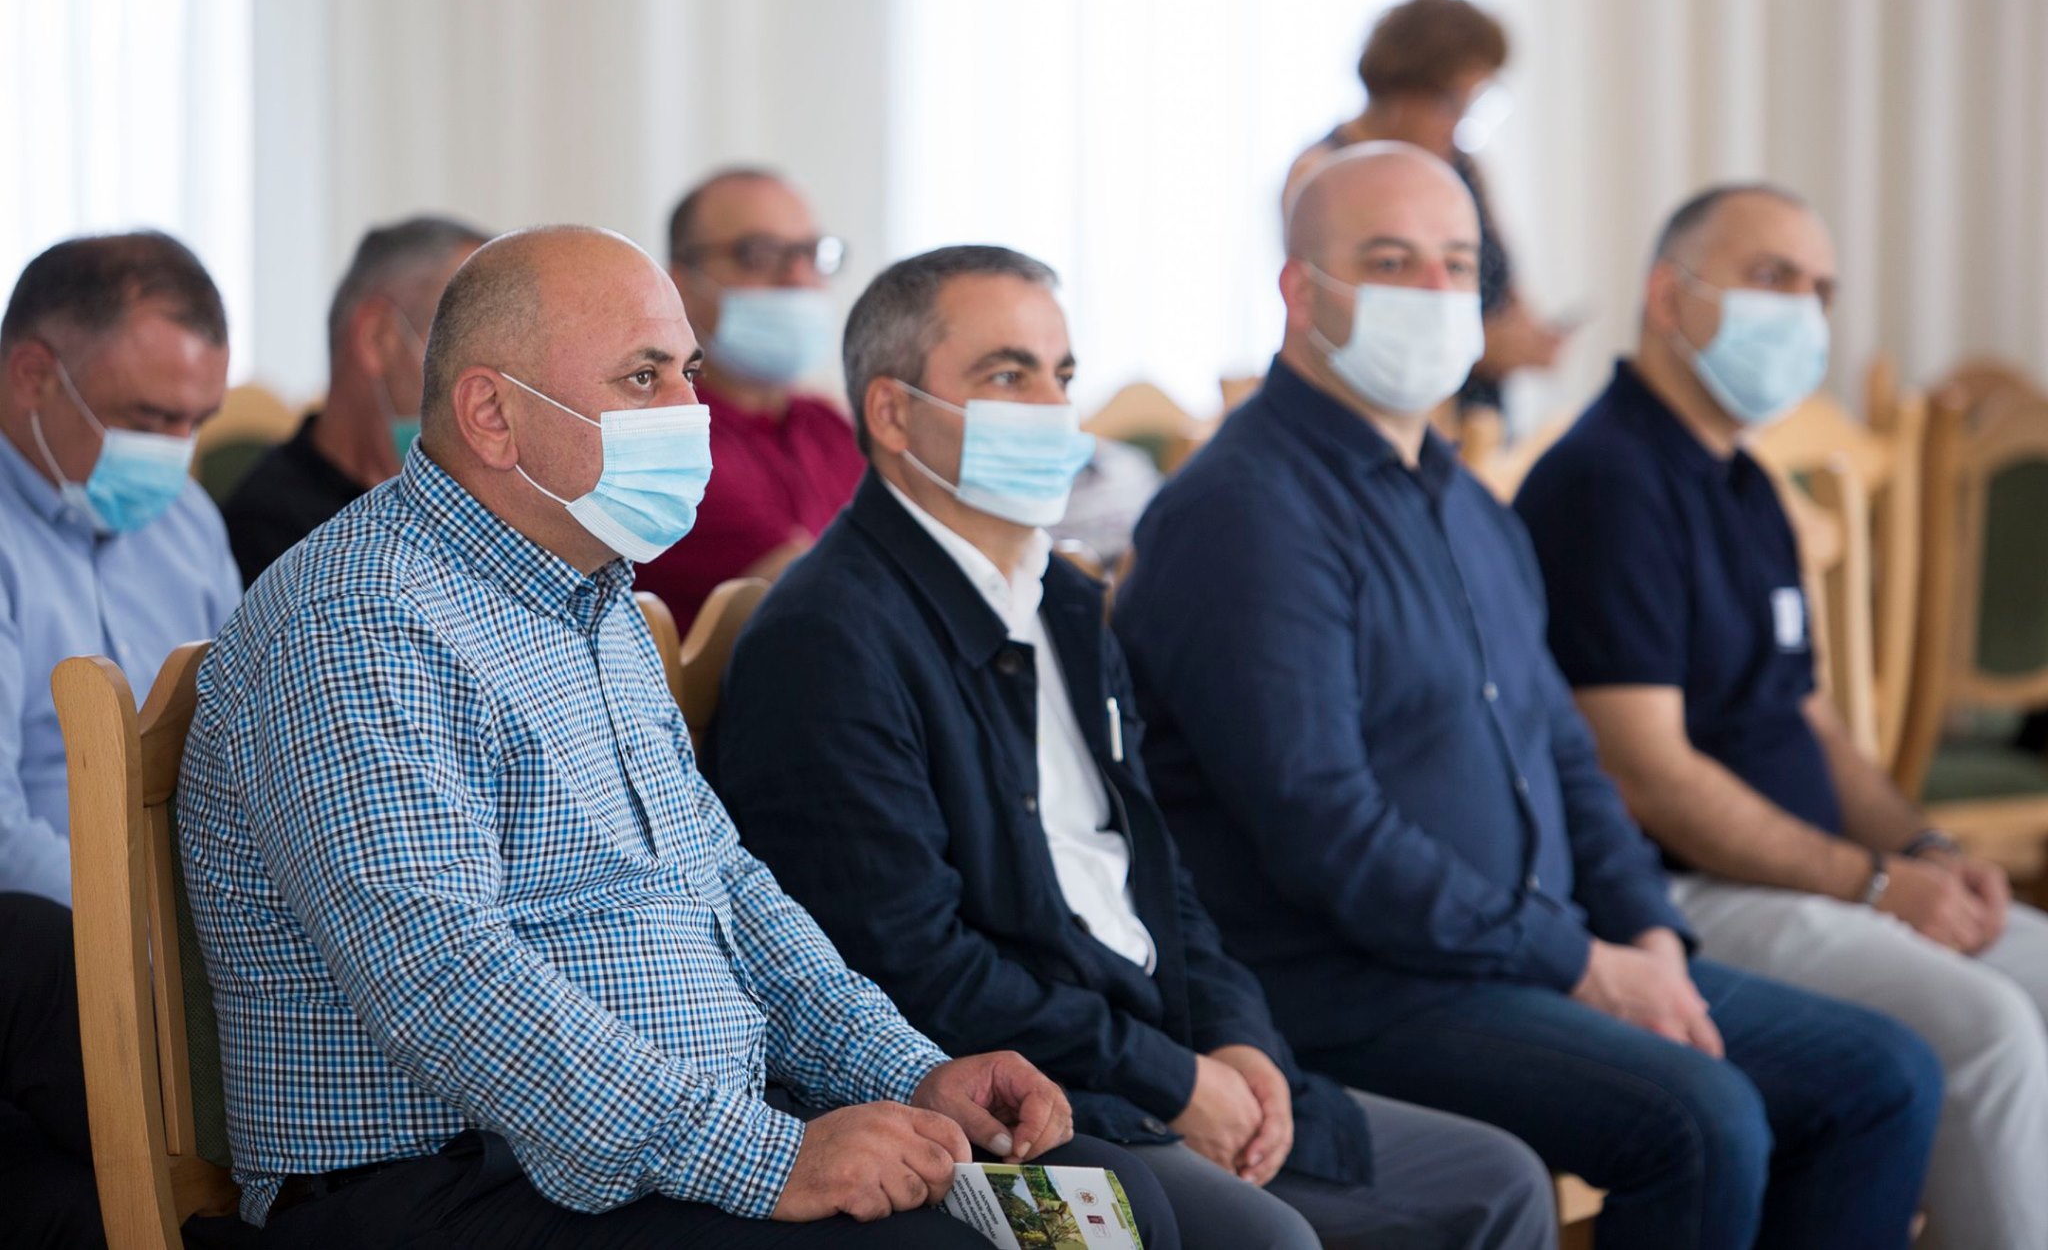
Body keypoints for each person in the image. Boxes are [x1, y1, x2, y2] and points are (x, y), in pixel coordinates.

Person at [176, 225, 1178, 1248]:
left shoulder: (590, 594)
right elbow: (440, 978)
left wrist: (911, 1070)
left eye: (688, 373)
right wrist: (772, 1158)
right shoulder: (359, 619)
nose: (690, 414)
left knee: (1104, 1217)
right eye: (643, 378)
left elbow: (724, 886)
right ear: (491, 413)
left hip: (667, 1147)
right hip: (446, 1180)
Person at [1114, 144, 1944, 1250]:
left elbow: (1562, 750)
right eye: (1392, 262)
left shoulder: (1469, 505)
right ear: (1300, 292)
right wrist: (1580, 964)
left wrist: (1646, 930)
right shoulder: (1244, 512)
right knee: (1702, 1122)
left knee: (1883, 1075)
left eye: (1459, 265)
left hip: (1521, 951)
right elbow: (1326, 832)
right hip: (1351, 985)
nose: (1435, 292)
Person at [710, 245, 1558, 1250]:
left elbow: (1156, 874)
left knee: (1500, 1181)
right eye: (1007, 375)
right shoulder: (829, 639)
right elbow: (910, 965)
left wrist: (1239, 1043)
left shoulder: (1067, 604)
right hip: (1025, 1099)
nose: (1049, 408)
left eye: (1061, 375)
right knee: (1268, 1240)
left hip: (1159, 1046)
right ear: (893, 414)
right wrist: (1175, 1080)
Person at [1516, 182, 2048, 1250]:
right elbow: (1646, 774)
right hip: (1683, 888)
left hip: (1811, 875)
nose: (1803, 310)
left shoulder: (1746, 484)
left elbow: (1812, 723)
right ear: (1668, 297)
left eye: (1819, 288)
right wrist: (1875, 883)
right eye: (1772, 278)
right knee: (1985, 1028)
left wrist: (1927, 850)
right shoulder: (1606, 482)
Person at [0, 230, 242, 1247]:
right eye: (148, 418)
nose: (174, 453)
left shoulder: (187, 522)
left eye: (197, 422)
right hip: (54, 950)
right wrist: (156, 938)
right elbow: (2, 838)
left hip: (187, 943)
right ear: (32, 375)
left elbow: (239, 754)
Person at [1285, 0, 1563, 409]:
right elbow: (1325, 317)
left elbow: (1507, 285)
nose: (1459, 123)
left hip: (1474, 413)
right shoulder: (1322, 173)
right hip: (1366, 410)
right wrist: (1483, 347)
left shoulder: (1464, 168)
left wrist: (1528, 338)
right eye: (1450, 103)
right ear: (1400, 92)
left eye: (1475, 103)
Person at [633, 168, 862, 632]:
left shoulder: (829, 425)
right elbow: (829, 594)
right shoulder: (664, 441)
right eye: (759, 254)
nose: (798, 278)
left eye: (810, 254)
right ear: (681, 283)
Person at [221, 215, 487, 583]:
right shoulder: (274, 537)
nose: (494, 389)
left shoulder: (467, 510)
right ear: (379, 338)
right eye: (472, 348)